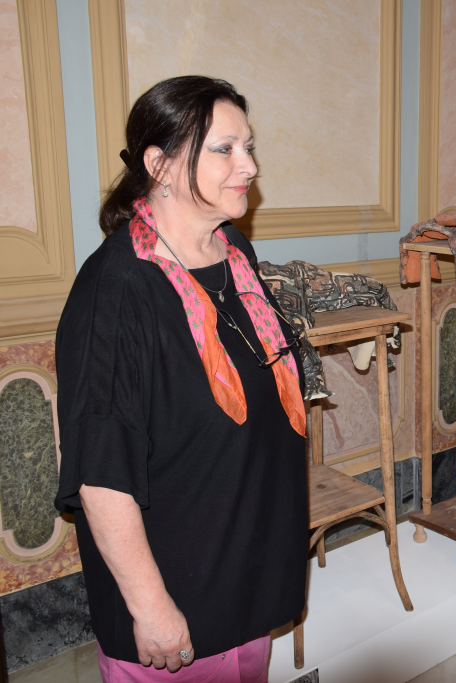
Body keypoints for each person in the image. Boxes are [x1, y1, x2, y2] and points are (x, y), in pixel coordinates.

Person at [55, 76, 308, 682]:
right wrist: (152, 609)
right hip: (178, 613)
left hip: (244, 583)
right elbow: (99, 475)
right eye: (225, 149)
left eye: (248, 146)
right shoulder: (116, 292)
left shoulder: (233, 252)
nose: (249, 165)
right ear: (160, 165)